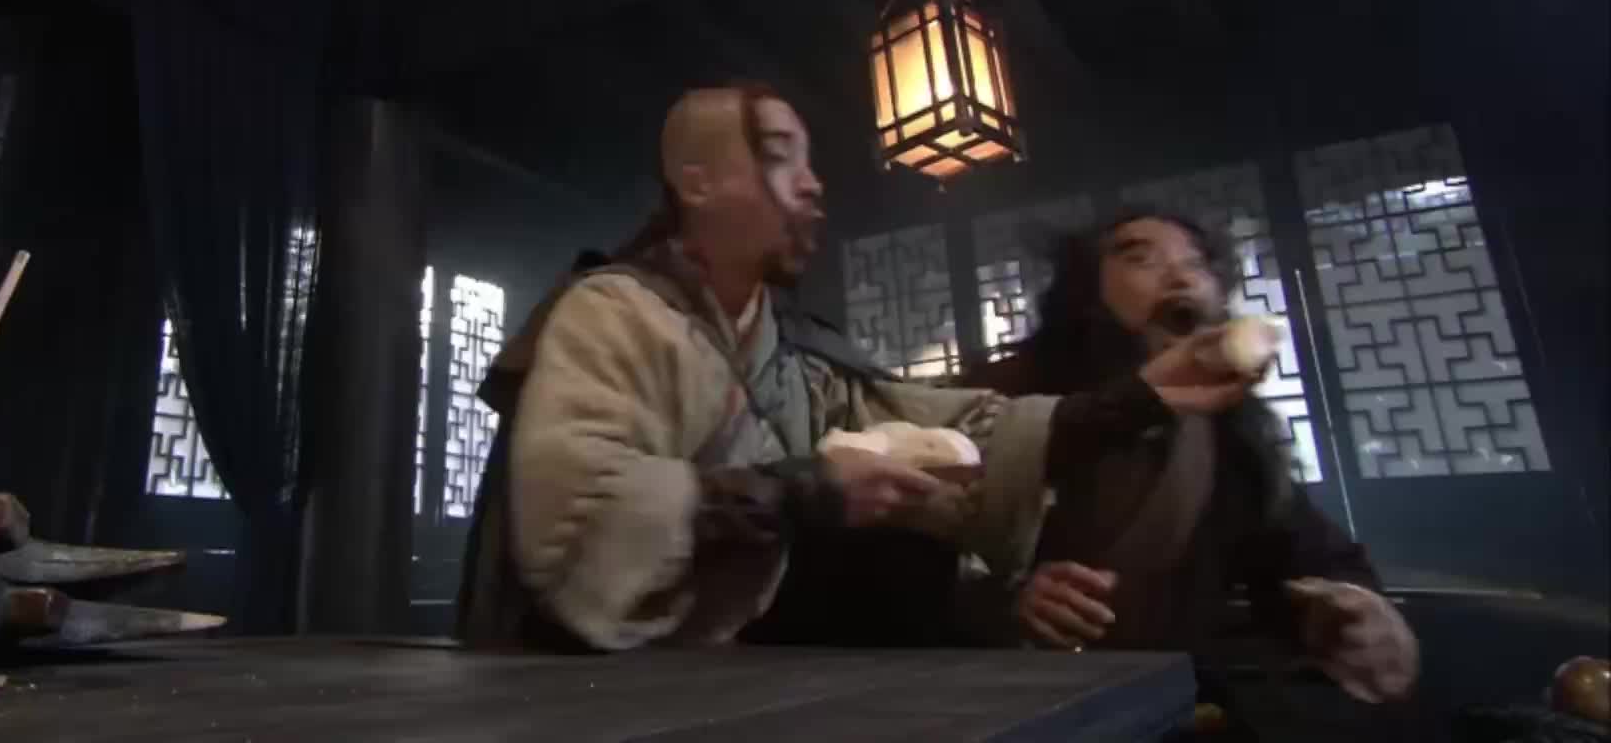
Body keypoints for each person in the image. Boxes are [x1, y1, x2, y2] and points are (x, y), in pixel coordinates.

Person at [455, 85, 1258, 651]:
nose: (814, 184)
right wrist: (809, 491)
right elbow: (581, 513)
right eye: (781, 158)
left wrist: (1138, 398)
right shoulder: (613, 312)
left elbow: (953, 429)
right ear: (696, 182)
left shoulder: (801, 357)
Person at [962, 211, 1420, 733]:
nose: (1180, 276)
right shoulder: (1006, 399)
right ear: (1086, 290)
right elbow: (916, 551)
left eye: (1196, 264)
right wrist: (1005, 598)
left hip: (1167, 705)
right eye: (1141, 258)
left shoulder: (1229, 433)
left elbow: (1306, 554)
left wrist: (1356, 609)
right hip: (1003, 704)